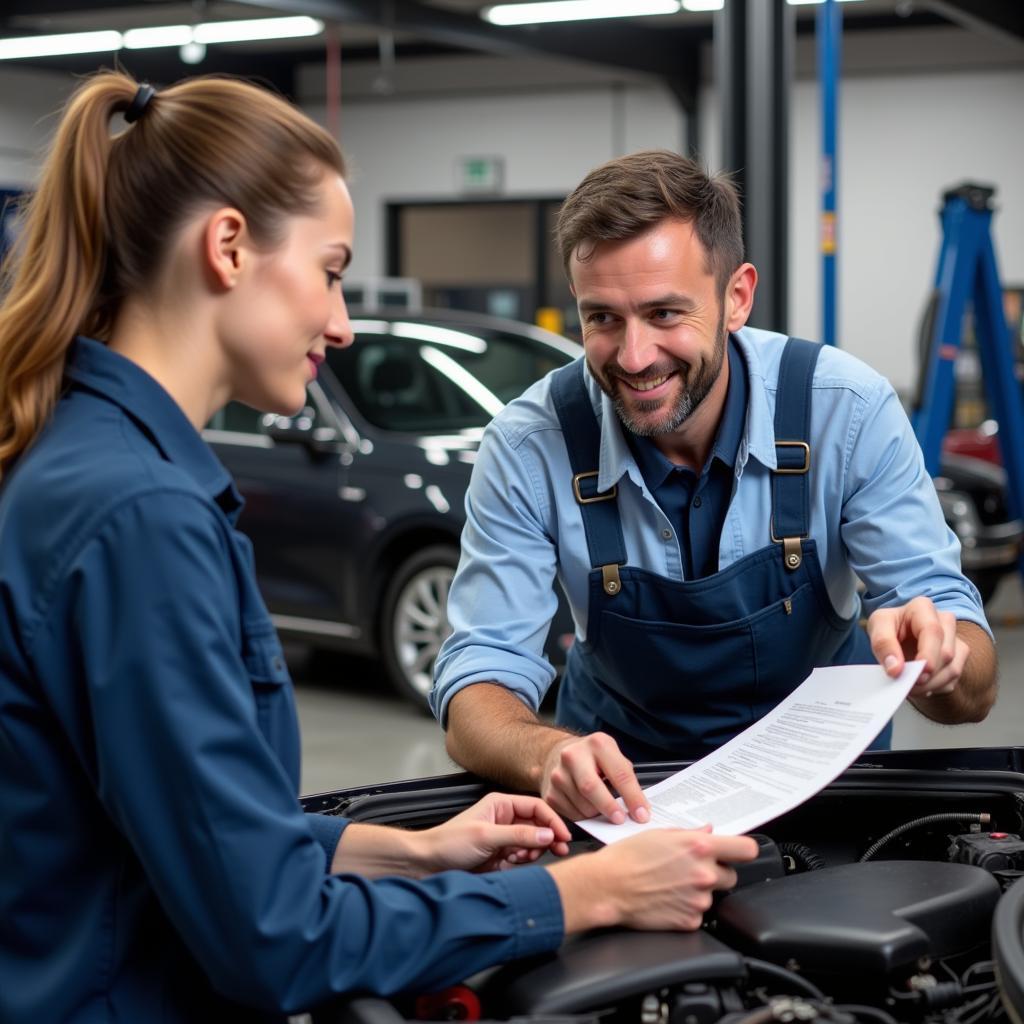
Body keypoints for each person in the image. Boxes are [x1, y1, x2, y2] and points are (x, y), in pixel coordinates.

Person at [0, 80, 759, 1023]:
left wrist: (419, 849)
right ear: (228, 248)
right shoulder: (137, 515)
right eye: (330, 270)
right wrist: (588, 895)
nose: (343, 320)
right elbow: (273, 935)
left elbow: (199, 839)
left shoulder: (91, 464)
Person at [432, 149, 998, 827]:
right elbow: (479, 678)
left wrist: (937, 659)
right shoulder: (530, 445)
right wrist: (546, 753)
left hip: (828, 798)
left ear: (736, 297)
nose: (635, 356)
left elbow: (974, 684)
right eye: (603, 318)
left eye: (666, 314)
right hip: (627, 803)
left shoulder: (846, 412)